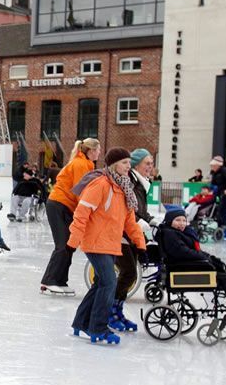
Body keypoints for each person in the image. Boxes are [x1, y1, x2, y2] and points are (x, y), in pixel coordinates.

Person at [68, 148, 146, 345]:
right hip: (95, 242)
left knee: (100, 283)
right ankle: (98, 328)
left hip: (110, 243)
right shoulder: (100, 184)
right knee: (109, 283)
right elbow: (82, 213)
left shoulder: (124, 189)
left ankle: (81, 322)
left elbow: (130, 222)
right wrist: (72, 243)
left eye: (129, 163)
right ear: (113, 165)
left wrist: (141, 245)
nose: (128, 167)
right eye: (124, 163)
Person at [157, 209, 226, 329]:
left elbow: (193, 251)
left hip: (192, 267)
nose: (182, 223)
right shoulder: (169, 234)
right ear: (169, 221)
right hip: (186, 270)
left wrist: (209, 257)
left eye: (184, 220)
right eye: (178, 220)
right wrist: (206, 258)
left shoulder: (179, 232)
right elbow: (183, 252)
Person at [39, 138, 101, 296]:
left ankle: (60, 281)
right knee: (62, 244)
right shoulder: (81, 164)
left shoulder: (86, 164)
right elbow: (80, 190)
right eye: (98, 150)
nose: (100, 153)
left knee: (69, 245)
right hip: (58, 204)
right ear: (91, 151)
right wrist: (88, 210)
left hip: (65, 206)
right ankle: (49, 281)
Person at [110, 148, 159, 332]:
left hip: (132, 233)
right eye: (147, 163)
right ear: (136, 163)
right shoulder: (130, 180)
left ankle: (117, 310)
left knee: (130, 274)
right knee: (129, 272)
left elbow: (139, 208)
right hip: (121, 233)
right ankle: (110, 311)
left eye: (151, 163)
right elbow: (127, 207)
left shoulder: (141, 183)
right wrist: (140, 220)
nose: (150, 166)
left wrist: (150, 219)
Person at [209, 156, 226, 238]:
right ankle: (220, 228)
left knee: (223, 211)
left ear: (218, 165)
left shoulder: (225, 171)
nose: (212, 167)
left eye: (213, 165)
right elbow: (214, 183)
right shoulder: (214, 172)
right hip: (220, 193)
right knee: (218, 211)